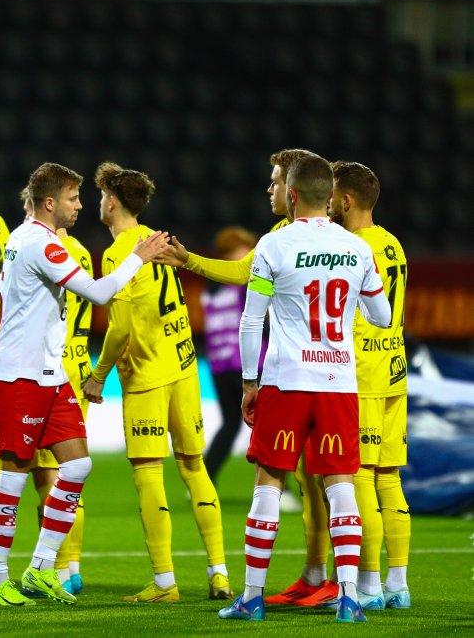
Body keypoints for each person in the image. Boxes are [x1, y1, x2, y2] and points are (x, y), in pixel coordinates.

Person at [156, 148, 338, 607]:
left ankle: (364, 583)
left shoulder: (331, 236)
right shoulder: (280, 235)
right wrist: (190, 261)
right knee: (308, 478)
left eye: (275, 181)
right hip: (303, 371)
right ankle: (315, 573)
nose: (269, 189)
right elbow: (241, 272)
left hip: (327, 370)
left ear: (293, 189)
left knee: (334, 479)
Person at [0, 162, 167, 607]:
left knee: (78, 467)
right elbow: (99, 293)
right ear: (50, 204)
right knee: (14, 474)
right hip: (19, 375)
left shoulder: (31, 238)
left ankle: (41, 568)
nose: (80, 206)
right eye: (72, 199)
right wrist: (138, 257)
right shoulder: (40, 244)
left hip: (50, 373)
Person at [218, 154, 391, 623]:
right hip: (338, 382)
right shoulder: (357, 249)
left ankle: (252, 597)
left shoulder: (274, 246)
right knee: (340, 484)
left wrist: (249, 382)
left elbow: (251, 318)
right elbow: (383, 317)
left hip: (285, 380)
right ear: (331, 199)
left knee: (270, 481)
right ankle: (352, 597)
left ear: (292, 196)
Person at [82, 163, 231, 603]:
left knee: (149, 474)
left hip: (147, 376)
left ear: (111, 201)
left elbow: (122, 329)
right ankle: (219, 572)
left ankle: (165, 581)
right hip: (184, 370)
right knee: (194, 468)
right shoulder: (160, 241)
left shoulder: (120, 254)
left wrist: (98, 374)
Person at [329, 161, 411, 610]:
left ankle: (370, 586)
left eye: (333, 198)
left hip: (363, 372)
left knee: (359, 476)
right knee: (389, 478)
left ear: (344, 200)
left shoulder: (353, 247)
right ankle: (398, 584)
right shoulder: (393, 243)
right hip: (396, 368)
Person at [19, 187, 95, 598]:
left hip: (47, 367)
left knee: (46, 476)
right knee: (73, 468)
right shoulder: (81, 250)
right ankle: (71, 564)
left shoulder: (39, 248)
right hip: (77, 361)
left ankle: (57, 566)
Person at [201, 227, 260, 483]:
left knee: (230, 424)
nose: (249, 256)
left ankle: (202, 481)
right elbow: (258, 323)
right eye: (243, 250)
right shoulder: (245, 285)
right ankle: (279, 490)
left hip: (218, 365)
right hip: (245, 365)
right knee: (264, 426)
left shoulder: (211, 288)